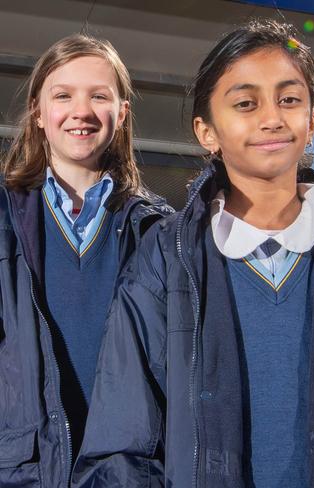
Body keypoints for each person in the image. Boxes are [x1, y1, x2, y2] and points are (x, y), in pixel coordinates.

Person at [72, 19, 314, 488]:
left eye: (290, 99)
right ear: (207, 132)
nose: (272, 118)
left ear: (313, 120)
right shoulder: (166, 255)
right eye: (245, 103)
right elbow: (120, 448)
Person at [0, 34, 170, 487]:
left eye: (99, 95)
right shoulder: (3, 217)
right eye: (63, 95)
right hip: (23, 470)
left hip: (129, 472)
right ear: (38, 111)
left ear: (122, 112)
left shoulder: (159, 231)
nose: (82, 111)